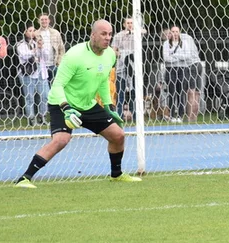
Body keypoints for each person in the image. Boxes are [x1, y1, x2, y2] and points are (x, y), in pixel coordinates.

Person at [14, 20, 142, 187]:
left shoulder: (110, 54)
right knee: (61, 140)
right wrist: (66, 108)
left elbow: (103, 80)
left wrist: (109, 106)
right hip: (62, 103)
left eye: (110, 34)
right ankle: (24, 178)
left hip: (87, 105)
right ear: (93, 35)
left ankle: (116, 174)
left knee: (118, 135)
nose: (108, 38)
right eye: (103, 34)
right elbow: (57, 86)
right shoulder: (74, 55)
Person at [162, 23, 201, 123]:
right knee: (172, 93)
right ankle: (171, 116)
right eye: (173, 32)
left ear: (179, 33)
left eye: (176, 31)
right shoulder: (166, 44)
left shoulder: (184, 43)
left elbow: (187, 56)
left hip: (182, 69)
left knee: (180, 93)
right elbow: (166, 58)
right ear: (170, 33)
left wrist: (174, 56)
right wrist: (179, 56)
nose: (175, 33)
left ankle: (179, 115)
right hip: (170, 69)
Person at [16, 25, 48, 124]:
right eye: (30, 30)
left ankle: (42, 116)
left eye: (34, 30)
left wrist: (41, 47)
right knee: (29, 97)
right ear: (25, 32)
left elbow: (46, 57)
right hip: (28, 74)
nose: (32, 32)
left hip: (40, 73)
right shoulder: (21, 44)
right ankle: (31, 118)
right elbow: (24, 55)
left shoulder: (38, 42)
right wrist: (35, 50)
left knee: (45, 96)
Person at [111, 17, 136, 120]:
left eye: (132, 23)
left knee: (134, 93)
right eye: (128, 23)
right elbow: (113, 50)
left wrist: (133, 32)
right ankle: (120, 116)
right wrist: (120, 54)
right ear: (124, 25)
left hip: (134, 69)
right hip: (121, 68)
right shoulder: (118, 36)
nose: (130, 25)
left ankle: (135, 116)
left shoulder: (137, 34)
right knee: (120, 93)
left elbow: (145, 31)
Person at [36, 13, 66, 84]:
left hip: (54, 64)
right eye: (42, 20)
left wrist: (59, 62)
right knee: (45, 88)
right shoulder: (36, 33)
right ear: (38, 21)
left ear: (49, 20)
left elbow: (61, 49)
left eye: (46, 19)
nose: (44, 21)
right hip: (41, 66)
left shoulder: (55, 33)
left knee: (55, 86)